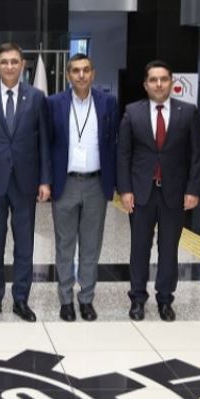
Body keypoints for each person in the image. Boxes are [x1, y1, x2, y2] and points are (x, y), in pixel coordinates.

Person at [117, 60, 200, 322]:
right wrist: (125, 190)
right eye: (153, 80)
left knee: (169, 249)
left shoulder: (187, 112)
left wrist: (193, 190)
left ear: (171, 82)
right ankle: (137, 298)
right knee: (139, 248)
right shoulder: (132, 112)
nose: (159, 84)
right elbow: (123, 154)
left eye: (163, 79)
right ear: (145, 85)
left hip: (174, 194)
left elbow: (197, 155)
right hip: (141, 193)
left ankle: (165, 299)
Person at [0, 42, 51, 322]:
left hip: (26, 182)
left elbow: (44, 143)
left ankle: (21, 300)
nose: (9, 66)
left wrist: (45, 180)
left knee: (24, 245)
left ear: (23, 65)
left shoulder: (37, 97)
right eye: (4, 62)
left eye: (14, 61)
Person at [47, 54, 119, 322]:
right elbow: (47, 144)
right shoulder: (54, 103)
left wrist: (116, 183)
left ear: (93, 74)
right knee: (65, 245)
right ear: (68, 75)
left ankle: (86, 299)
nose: (81, 75)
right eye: (75, 70)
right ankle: (65, 299)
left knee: (91, 246)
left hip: (95, 184)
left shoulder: (108, 103)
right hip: (65, 183)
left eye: (86, 70)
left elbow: (113, 144)